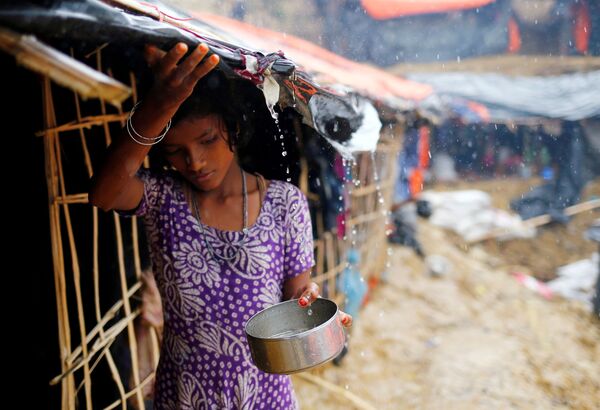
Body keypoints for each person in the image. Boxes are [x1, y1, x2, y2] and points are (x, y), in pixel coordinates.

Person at [89, 42, 352, 409]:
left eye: (208, 140)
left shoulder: (284, 203)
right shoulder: (162, 198)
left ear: (235, 127)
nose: (194, 161)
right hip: (184, 396)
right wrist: (159, 106)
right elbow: (103, 194)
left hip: (264, 396)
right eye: (175, 151)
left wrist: (310, 305)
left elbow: (297, 297)